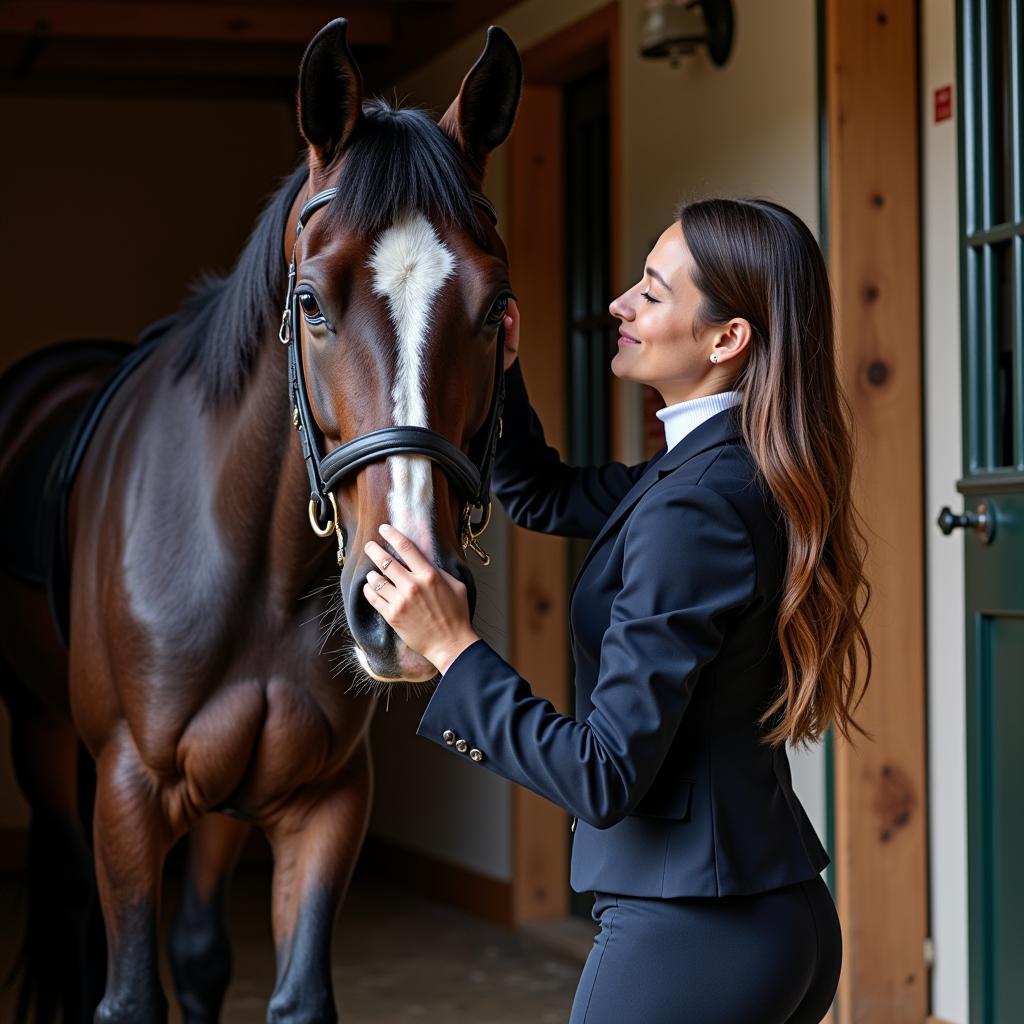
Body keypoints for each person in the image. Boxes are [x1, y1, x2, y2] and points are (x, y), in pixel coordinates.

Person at [360, 197, 871, 1023]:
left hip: (691, 933)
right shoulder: (727, 473)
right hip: (771, 912)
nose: (619, 305)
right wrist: (503, 360)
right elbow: (541, 491)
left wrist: (454, 648)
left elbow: (602, 776)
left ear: (725, 339)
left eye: (652, 292)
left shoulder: (695, 507)